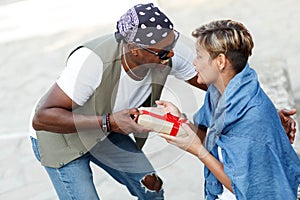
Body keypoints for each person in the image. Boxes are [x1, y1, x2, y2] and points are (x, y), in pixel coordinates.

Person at [29, 2, 297, 199]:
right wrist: (109, 122)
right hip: (63, 135)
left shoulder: (166, 48)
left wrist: (270, 116)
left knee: (152, 188)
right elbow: (42, 117)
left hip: (108, 130)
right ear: (134, 49)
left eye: (172, 46)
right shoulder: (90, 63)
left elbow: (223, 82)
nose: (172, 56)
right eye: (162, 54)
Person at [158, 19, 300, 199]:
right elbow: (209, 138)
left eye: (199, 56)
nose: (194, 63)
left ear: (220, 62)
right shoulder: (220, 93)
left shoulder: (251, 118)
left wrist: (199, 152)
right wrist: (179, 120)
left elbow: (247, 189)